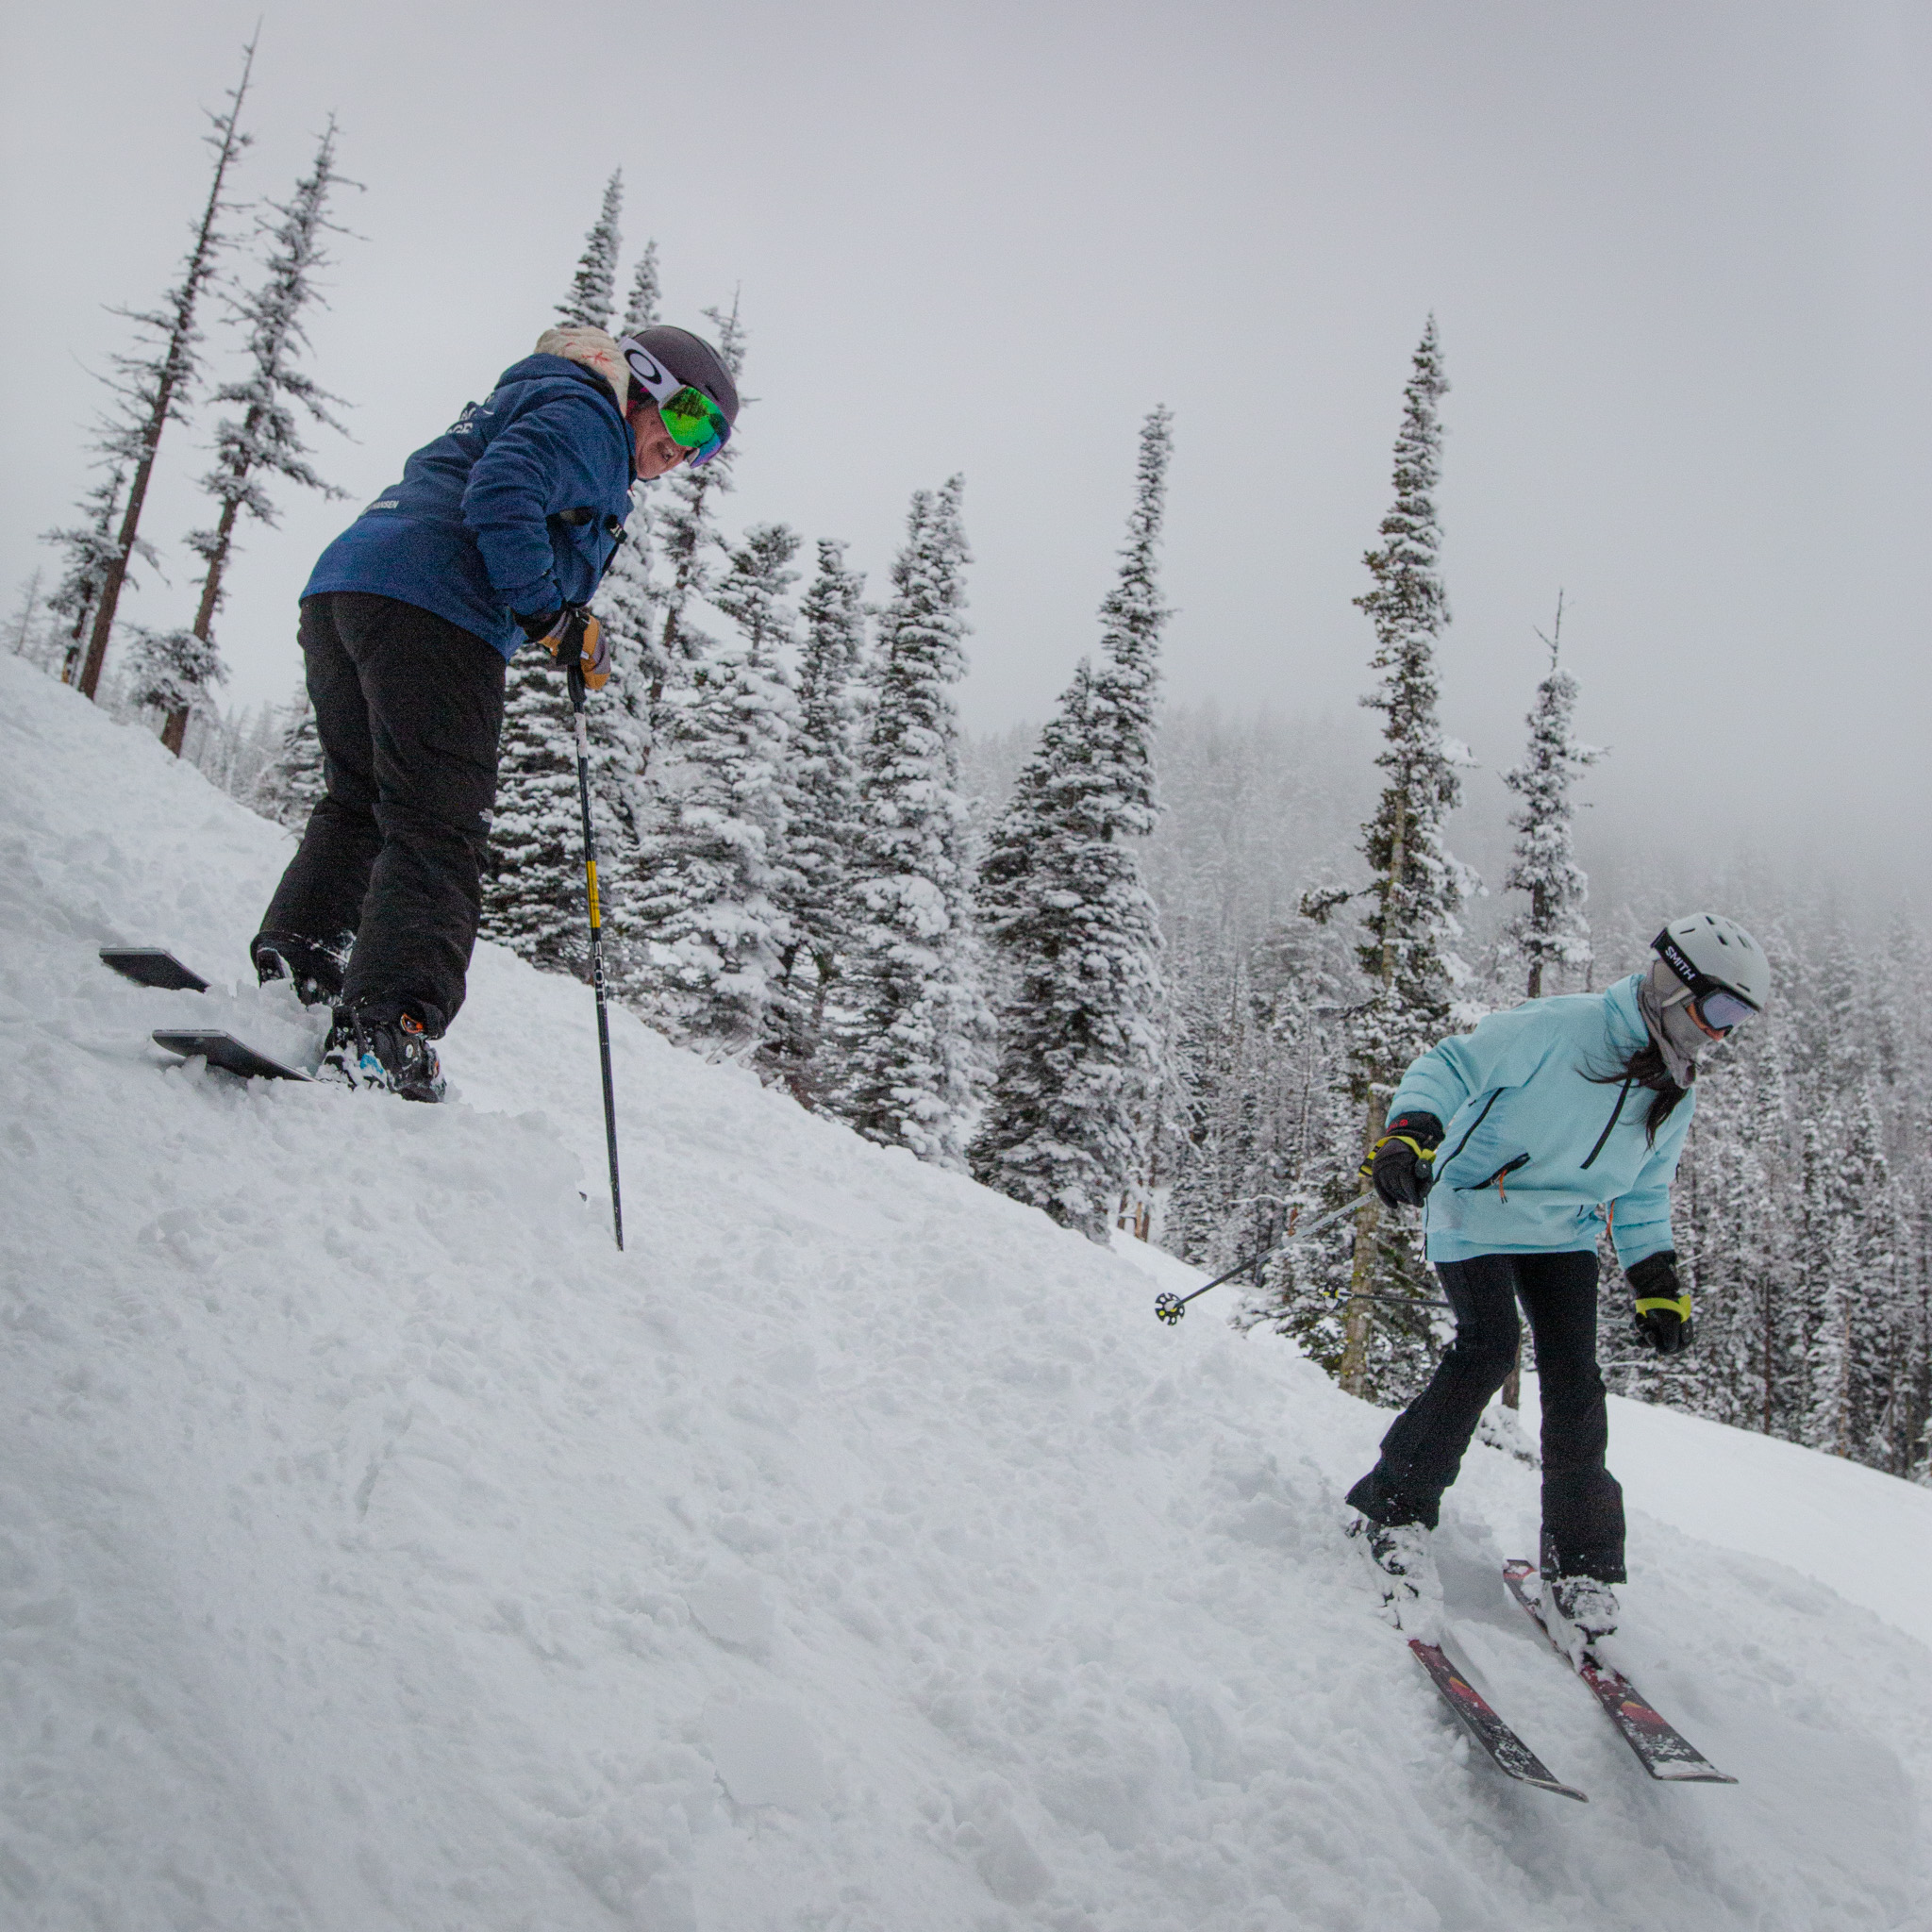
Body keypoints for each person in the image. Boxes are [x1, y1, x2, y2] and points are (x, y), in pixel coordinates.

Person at [250, 322, 740, 1099]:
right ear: (642, 384)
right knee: (438, 825)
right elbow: (504, 491)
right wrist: (548, 615)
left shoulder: (547, 401)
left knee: (362, 801)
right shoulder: (588, 417)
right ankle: (390, 1027)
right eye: (687, 420)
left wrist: (566, 624)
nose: (687, 451)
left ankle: (296, 968)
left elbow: (509, 499)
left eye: (708, 445)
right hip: (432, 611)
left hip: (347, 591)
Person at [1344, 913, 1771, 1637]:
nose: (1723, 1033)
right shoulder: (1561, 1028)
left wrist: (1657, 1280)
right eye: (1720, 1010)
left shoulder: (1675, 1087)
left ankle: (1582, 1563)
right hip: (1475, 1209)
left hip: (1563, 1231)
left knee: (1576, 1378)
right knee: (1489, 1348)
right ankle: (1391, 1508)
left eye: (1740, 1019)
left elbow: (1641, 1190)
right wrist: (1411, 1131)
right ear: (1674, 988)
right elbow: (1452, 1065)